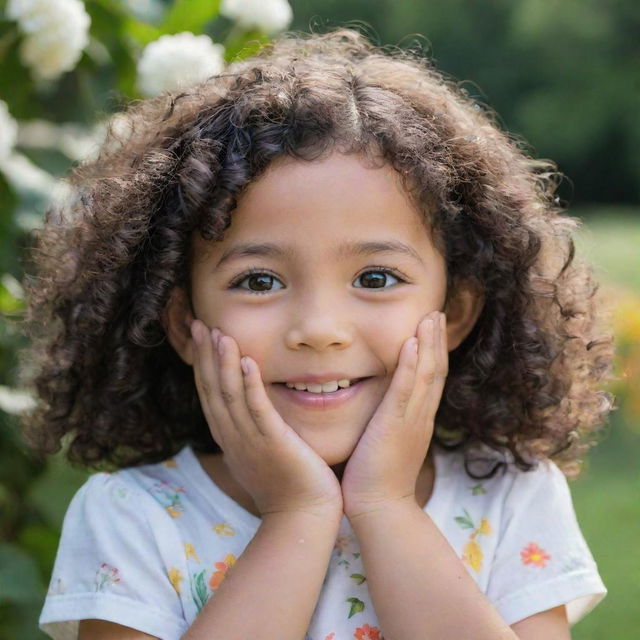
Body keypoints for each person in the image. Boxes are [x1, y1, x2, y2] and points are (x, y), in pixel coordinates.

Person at [21, 28, 614, 640]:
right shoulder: (135, 516)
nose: (319, 330)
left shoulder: (510, 498)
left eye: (377, 276)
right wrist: (295, 515)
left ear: (457, 312)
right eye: (258, 282)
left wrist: (385, 506)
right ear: (184, 325)